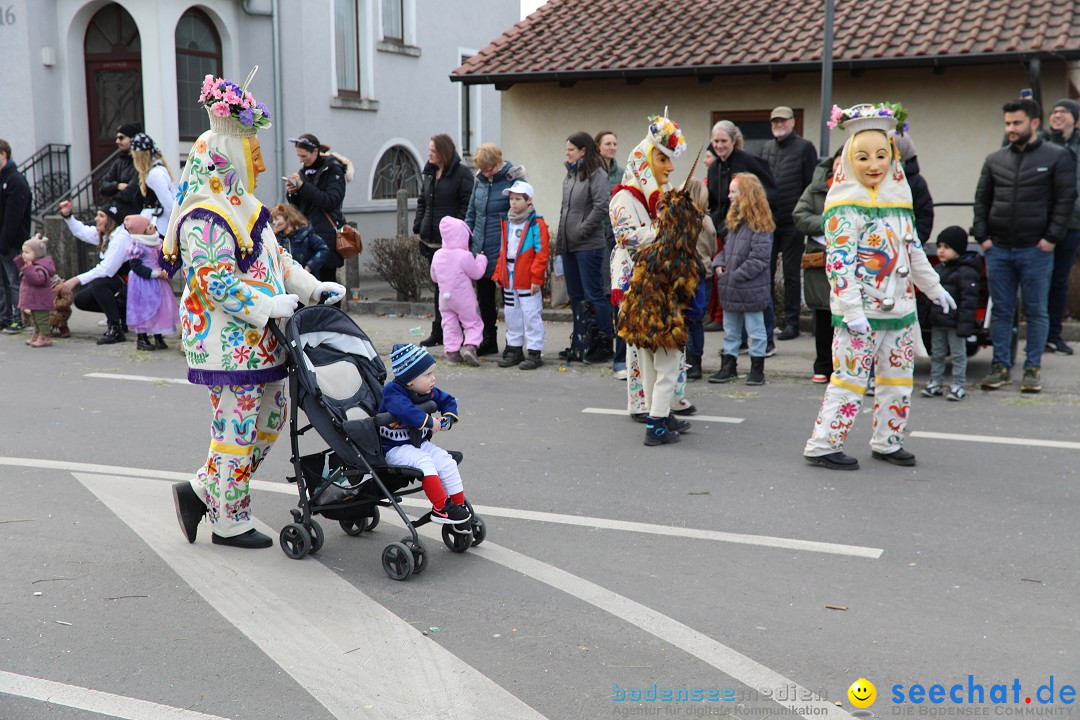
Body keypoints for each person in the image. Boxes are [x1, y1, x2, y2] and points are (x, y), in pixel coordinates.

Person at [167, 72, 344, 549]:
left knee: (268, 421)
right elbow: (214, 283)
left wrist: (310, 288)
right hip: (226, 343)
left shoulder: (247, 208)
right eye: (253, 152)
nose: (262, 163)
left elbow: (277, 261)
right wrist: (267, 305)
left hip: (261, 338)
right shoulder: (204, 217)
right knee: (237, 427)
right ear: (228, 155)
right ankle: (229, 520)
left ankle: (203, 490)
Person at [804, 102, 952, 471]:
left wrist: (934, 288)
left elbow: (913, 251)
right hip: (860, 316)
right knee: (850, 381)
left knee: (898, 380)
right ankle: (823, 445)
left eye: (882, 156)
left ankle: (888, 441)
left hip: (900, 312)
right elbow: (838, 264)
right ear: (850, 160)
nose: (874, 165)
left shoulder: (899, 204)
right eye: (864, 157)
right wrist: (851, 312)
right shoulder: (843, 209)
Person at [973, 98, 1077, 393]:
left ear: (1033, 123)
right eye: (1007, 123)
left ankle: (1032, 369)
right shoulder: (995, 159)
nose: (1010, 129)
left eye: (1016, 123)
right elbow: (981, 200)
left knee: (1036, 310)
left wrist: (1051, 238)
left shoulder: (1058, 157)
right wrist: (984, 238)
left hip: (1036, 249)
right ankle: (1001, 367)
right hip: (999, 250)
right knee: (1003, 311)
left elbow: (1065, 201)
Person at [610, 114, 697, 421]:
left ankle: (668, 402)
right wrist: (667, 230)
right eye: (662, 159)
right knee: (641, 347)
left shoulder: (662, 197)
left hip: (662, 281)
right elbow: (630, 239)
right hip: (635, 280)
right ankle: (644, 405)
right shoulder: (622, 199)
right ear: (645, 161)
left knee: (667, 345)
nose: (670, 167)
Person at [707, 120, 779, 355]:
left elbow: (768, 191)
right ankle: (738, 342)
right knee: (737, 291)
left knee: (757, 287)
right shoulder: (713, 167)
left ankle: (766, 339)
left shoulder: (748, 161)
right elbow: (716, 202)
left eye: (723, 141)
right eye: (715, 141)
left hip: (754, 228)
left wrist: (753, 217)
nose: (719, 145)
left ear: (734, 140)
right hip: (730, 230)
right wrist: (721, 226)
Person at [379, 343, 472, 525]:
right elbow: (404, 410)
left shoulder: (425, 391)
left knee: (446, 461)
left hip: (416, 443)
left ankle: (457, 506)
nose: (433, 379)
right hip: (393, 448)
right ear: (409, 380)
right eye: (427, 375)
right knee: (425, 462)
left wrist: (447, 418)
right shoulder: (392, 392)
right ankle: (441, 508)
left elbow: (448, 400)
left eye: (432, 373)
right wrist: (429, 422)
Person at [709, 173, 774, 385]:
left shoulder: (760, 226)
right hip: (732, 287)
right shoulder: (735, 223)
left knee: (756, 330)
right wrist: (719, 263)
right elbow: (727, 251)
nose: (729, 196)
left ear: (746, 194)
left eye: (733, 191)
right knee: (731, 331)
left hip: (749, 288)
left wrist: (734, 276)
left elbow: (759, 259)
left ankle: (757, 370)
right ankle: (728, 367)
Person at [759, 106, 818, 341]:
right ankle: (770, 322)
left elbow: (810, 184)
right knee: (767, 272)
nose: (778, 124)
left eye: (783, 120)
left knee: (792, 274)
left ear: (793, 122)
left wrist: (803, 214)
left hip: (793, 221)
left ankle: (792, 323)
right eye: (775, 121)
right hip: (769, 222)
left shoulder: (805, 148)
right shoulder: (766, 148)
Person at [464, 143, 526, 356]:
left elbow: (522, 213)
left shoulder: (514, 181)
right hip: (480, 248)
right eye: (482, 169)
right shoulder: (479, 181)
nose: (485, 172)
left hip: (504, 248)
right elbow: (472, 212)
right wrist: (467, 239)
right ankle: (488, 339)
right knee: (484, 298)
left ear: (498, 162)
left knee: (511, 299)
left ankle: (514, 343)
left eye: (488, 168)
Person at [558, 131, 613, 364]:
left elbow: (601, 206)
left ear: (583, 151)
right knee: (576, 296)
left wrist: (580, 231)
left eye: (571, 149)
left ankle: (604, 343)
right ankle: (581, 342)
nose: (567, 152)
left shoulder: (596, 174)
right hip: (569, 246)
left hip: (589, 245)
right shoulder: (570, 176)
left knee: (594, 295)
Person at [413, 133, 474, 347]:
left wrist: (454, 232)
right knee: (439, 289)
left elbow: (466, 206)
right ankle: (440, 331)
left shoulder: (462, 174)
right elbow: (423, 201)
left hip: (451, 244)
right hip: (431, 241)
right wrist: (419, 224)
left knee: (454, 291)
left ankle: (463, 333)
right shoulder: (430, 173)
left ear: (443, 152)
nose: (428, 153)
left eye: (433, 150)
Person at [793, 149, 844, 383]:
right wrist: (827, 222)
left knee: (844, 315)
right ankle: (823, 365)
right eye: (837, 162)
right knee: (822, 313)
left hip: (847, 259)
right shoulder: (816, 188)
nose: (839, 166)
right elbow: (800, 215)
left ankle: (843, 365)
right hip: (820, 258)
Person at [57, 200, 133, 344]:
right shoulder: (105, 234)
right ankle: (122, 313)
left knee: (100, 284)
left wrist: (76, 279)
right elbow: (82, 231)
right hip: (115, 280)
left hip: (128, 282)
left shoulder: (121, 238)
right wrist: (68, 216)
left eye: (101, 216)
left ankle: (116, 329)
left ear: (110, 220)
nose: (96, 219)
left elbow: (107, 270)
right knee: (81, 300)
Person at [494, 180, 550, 370]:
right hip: (509, 277)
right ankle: (514, 349)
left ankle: (534, 352)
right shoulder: (507, 222)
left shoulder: (536, 223)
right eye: (511, 199)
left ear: (529, 200)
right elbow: (503, 251)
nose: (513, 203)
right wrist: (498, 273)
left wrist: (536, 278)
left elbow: (541, 254)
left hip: (527, 278)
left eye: (518, 199)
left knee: (531, 314)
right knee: (512, 314)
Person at [921, 226, 981, 401]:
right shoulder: (938, 269)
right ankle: (935, 382)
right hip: (938, 321)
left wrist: (965, 325)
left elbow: (968, 302)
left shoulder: (966, 272)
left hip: (955, 323)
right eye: (939, 246)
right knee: (937, 352)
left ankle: (958, 385)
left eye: (946, 247)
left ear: (958, 250)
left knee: (958, 354)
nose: (940, 251)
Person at [285, 133, 352, 282]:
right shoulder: (303, 173)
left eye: (304, 156)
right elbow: (299, 208)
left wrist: (303, 186)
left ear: (315, 151)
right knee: (309, 289)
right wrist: (293, 193)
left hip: (326, 236)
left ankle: (330, 307)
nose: (301, 160)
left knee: (328, 287)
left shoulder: (334, 170)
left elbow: (331, 201)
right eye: (299, 157)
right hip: (306, 237)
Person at [1043, 98, 1080, 355]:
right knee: (1038, 279)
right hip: (1042, 223)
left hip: (1073, 222)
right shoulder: (1041, 142)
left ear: (1074, 118)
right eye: (1053, 112)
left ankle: (1054, 334)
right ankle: (1039, 335)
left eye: (1062, 111)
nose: (1056, 115)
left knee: (1059, 280)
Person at [430, 217, 487, 365]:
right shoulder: (464, 256)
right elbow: (477, 273)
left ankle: (452, 354)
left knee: (449, 324)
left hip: (444, 298)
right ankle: (471, 347)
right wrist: (481, 259)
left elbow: (434, 277)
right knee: (472, 322)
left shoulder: (438, 255)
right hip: (463, 297)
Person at [596, 130, 627, 378]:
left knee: (614, 288)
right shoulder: (594, 172)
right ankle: (602, 342)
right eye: (608, 143)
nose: (613, 147)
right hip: (598, 235)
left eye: (615, 143)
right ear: (598, 147)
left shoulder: (621, 172)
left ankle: (617, 348)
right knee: (603, 289)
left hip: (616, 234)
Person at [122, 215, 177, 351]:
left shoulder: (157, 241)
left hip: (158, 281)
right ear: (140, 231)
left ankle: (158, 336)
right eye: (147, 226)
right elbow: (135, 266)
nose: (152, 227)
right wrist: (154, 273)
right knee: (143, 309)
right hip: (143, 281)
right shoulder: (137, 244)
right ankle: (142, 338)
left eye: (149, 224)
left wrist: (164, 269)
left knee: (159, 307)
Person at [683, 179, 716, 380]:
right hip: (703, 272)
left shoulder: (679, 219)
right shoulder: (706, 221)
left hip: (685, 272)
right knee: (697, 320)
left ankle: (687, 359)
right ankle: (697, 362)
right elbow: (712, 247)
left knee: (684, 318)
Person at [0, 138, 32, 333]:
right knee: (2, 282)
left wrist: (4, 242)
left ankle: (17, 318)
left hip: (11, 242)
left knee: (13, 282)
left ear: (3, 154)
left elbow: (13, 216)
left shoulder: (15, 180)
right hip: (2, 241)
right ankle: (3, 316)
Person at [129, 133, 176, 237]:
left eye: (134, 156)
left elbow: (168, 203)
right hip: (157, 221)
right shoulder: (157, 170)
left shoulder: (155, 174)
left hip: (158, 223)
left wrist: (177, 225)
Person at [15, 234, 55, 348]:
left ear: (37, 254)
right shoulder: (31, 265)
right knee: (35, 319)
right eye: (23, 252)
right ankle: (37, 333)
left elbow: (37, 280)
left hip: (40, 300)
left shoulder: (40, 268)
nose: (23, 255)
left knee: (41, 319)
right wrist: (23, 264)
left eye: (27, 252)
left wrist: (28, 268)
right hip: (33, 299)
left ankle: (45, 336)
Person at [98, 121, 143, 217]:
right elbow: (102, 185)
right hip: (118, 214)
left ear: (132, 139)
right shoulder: (119, 162)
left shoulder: (140, 163)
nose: (117, 141)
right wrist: (117, 186)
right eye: (117, 138)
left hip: (135, 215)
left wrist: (112, 195)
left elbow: (131, 193)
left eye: (121, 138)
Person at [271, 202, 330, 275]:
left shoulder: (305, 234)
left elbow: (323, 249)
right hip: (286, 278)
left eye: (276, 219)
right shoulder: (276, 237)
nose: (274, 222)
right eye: (273, 219)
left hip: (305, 279)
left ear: (287, 219)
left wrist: (309, 267)